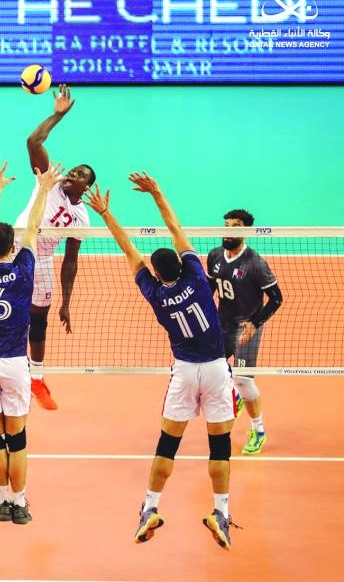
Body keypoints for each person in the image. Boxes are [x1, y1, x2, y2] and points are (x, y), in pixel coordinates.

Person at [84, 173, 237, 550]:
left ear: (157, 274)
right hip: (217, 369)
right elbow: (174, 226)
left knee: (167, 445)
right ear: (183, 265)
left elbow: (128, 251)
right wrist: (156, 192)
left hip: (184, 373)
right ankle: (221, 512)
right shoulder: (199, 278)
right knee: (220, 447)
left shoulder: (153, 292)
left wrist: (106, 213)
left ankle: (150, 506)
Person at [0, 160, 63, 524]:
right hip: (14, 363)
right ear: (12, 247)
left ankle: (1, 502)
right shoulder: (25, 269)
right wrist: (42, 189)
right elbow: (33, 230)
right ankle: (21, 503)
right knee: (18, 435)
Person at [19, 84, 96, 410]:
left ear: (86, 187)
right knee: (0, 295)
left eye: (79, 175)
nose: (72, 174)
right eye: (73, 170)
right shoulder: (47, 181)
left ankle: (37, 378)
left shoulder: (82, 218)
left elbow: (71, 262)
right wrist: (57, 115)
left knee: (40, 318)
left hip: (45, 259)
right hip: (18, 244)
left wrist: (67, 301)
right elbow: (33, 142)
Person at [207, 209, 283, 455]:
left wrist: (254, 323)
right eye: (226, 224)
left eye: (235, 225)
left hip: (245, 328)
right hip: (221, 323)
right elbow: (210, 287)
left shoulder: (255, 263)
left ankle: (258, 430)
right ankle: (236, 395)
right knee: (214, 369)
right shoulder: (215, 255)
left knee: (243, 380)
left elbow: (276, 299)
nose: (228, 230)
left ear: (246, 231)